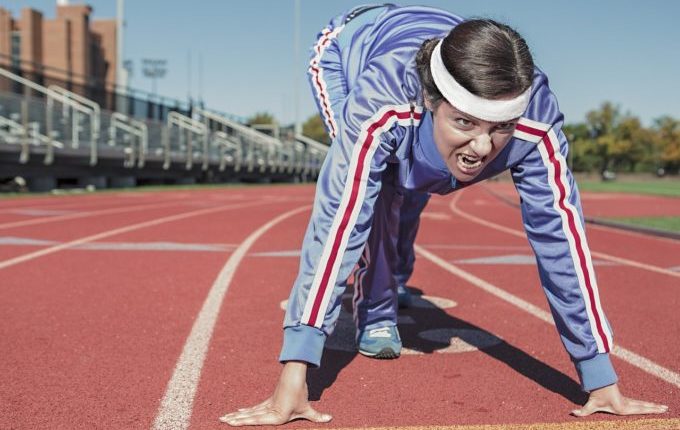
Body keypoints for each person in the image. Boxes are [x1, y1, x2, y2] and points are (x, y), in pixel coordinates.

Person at [220, 4, 668, 426]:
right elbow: (339, 221)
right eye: (466, 123)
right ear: (434, 101)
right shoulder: (383, 101)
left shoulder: (536, 122)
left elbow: (562, 242)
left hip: (435, 47)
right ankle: (376, 309)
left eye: (500, 129)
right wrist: (295, 373)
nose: (482, 148)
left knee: (419, 181)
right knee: (377, 191)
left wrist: (600, 376)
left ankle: (396, 274)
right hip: (348, 48)